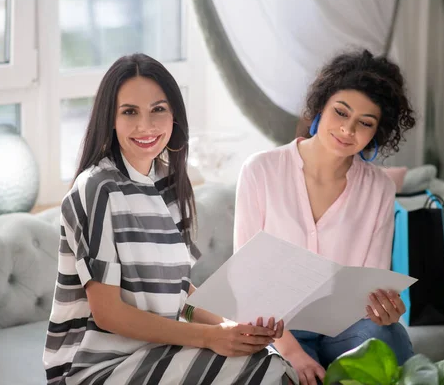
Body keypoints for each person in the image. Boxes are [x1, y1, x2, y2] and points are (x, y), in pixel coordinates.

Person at [43, 53, 298, 385]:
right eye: (130, 112)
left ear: (174, 115)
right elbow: (108, 314)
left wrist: (231, 328)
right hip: (94, 369)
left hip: (154, 352)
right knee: (266, 372)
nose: (146, 126)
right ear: (111, 119)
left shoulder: (169, 182)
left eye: (158, 110)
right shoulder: (98, 188)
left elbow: (179, 293)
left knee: (266, 359)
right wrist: (209, 338)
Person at [233, 49, 417, 385]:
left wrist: (384, 309)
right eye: (341, 112)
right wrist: (293, 353)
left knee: (385, 340)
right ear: (321, 106)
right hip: (276, 331)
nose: (348, 130)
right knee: (282, 376)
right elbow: (247, 281)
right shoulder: (261, 170)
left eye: (365, 123)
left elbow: (370, 285)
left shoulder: (378, 187)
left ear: (377, 131)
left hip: (345, 329)